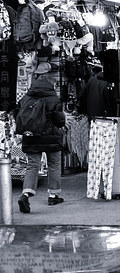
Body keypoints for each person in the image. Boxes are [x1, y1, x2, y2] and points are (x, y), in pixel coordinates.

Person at [15, 64, 67, 213]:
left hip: (31, 136)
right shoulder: (53, 98)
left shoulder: (26, 97)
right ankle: (53, 195)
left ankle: (25, 194)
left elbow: (17, 114)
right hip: (51, 137)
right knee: (54, 164)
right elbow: (59, 121)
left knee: (32, 166)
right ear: (50, 82)